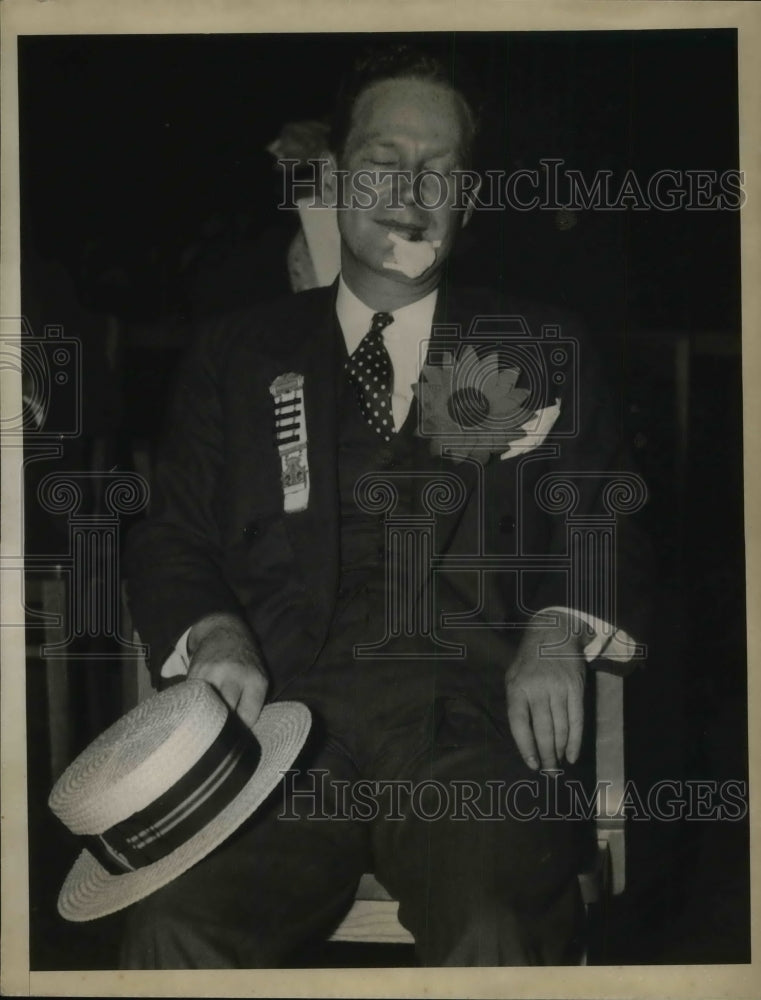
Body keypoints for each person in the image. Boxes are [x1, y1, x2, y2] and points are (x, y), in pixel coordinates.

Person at [122, 43, 652, 968]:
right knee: (172, 923)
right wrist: (215, 633)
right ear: (332, 179)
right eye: (381, 161)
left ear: (470, 200)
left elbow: (606, 509)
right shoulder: (237, 354)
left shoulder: (542, 345)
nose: (409, 190)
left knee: (494, 924)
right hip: (280, 738)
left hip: (472, 733)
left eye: (438, 169)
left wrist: (560, 626)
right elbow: (172, 536)